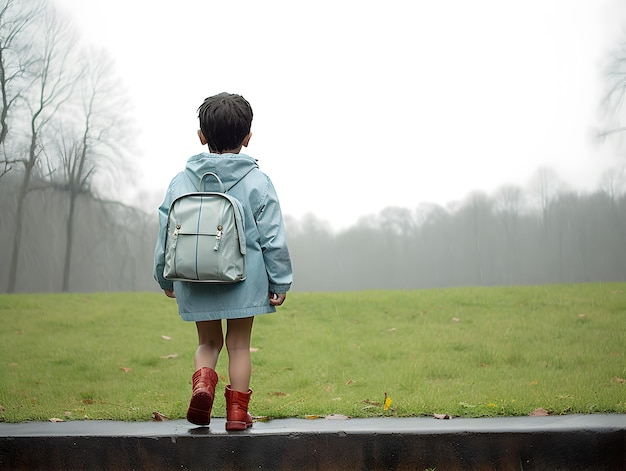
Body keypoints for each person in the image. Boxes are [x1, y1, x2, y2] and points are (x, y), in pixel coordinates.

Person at [153, 92, 293, 431]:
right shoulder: (258, 181)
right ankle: (236, 414)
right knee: (239, 344)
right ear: (247, 137)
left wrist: (165, 276)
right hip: (243, 280)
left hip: (195, 276)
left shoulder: (180, 181)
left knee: (208, 342)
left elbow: (166, 231)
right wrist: (280, 281)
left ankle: (203, 385)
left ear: (201, 136)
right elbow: (272, 237)